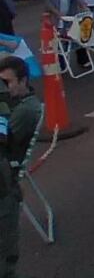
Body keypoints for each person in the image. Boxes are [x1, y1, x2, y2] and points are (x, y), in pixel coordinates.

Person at [0, 57, 42, 278]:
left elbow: (4, 140)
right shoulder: (20, 104)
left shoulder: (23, 110)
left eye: (8, 82)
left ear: (23, 81)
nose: (5, 88)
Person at [40, 0, 91, 69]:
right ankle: (61, 63)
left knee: (78, 38)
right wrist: (56, 12)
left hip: (71, 16)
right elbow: (47, 2)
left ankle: (83, 60)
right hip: (55, 18)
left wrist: (85, 7)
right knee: (59, 42)